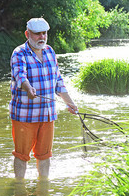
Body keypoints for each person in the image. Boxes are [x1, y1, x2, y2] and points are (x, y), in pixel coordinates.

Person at [10, 17, 78, 180]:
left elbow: (58, 81)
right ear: (27, 34)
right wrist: (27, 87)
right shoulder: (19, 53)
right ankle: (19, 188)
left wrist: (70, 102)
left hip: (47, 114)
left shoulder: (50, 51)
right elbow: (20, 75)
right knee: (21, 155)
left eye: (44, 33)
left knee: (45, 155)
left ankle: (43, 185)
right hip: (24, 115)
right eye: (37, 34)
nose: (41, 37)